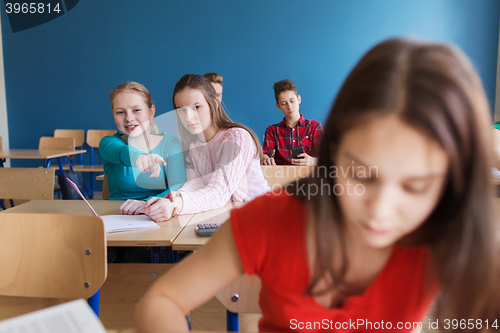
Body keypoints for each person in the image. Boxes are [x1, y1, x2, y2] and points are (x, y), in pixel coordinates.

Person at [135, 39, 500, 332]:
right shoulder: (270, 220)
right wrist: (170, 196)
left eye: (416, 187)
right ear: (332, 153)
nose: (382, 209)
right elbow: (161, 300)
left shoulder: (446, 233)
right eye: (361, 175)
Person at [142, 74, 270, 220]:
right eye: (181, 110)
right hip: (225, 219)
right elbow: (196, 186)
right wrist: (171, 199)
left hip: (262, 218)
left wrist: (177, 203)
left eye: (196, 107)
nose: (188, 117)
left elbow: (219, 192)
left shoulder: (237, 137)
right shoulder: (192, 146)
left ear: (214, 103)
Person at [99, 81, 186, 219]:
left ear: (151, 112)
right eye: (120, 112)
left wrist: (146, 205)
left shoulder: (170, 143)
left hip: (158, 217)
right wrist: (140, 157)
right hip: (117, 218)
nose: (129, 118)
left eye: (136, 110)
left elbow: (178, 186)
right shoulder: (108, 143)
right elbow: (121, 152)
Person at [261, 79, 323, 166]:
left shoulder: (314, 126)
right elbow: (266, 154)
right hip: (281, 177)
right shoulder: (272, 131)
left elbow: (326, 155)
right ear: (278, 106)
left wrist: (313, 161)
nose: (289, 106)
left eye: (292, 101)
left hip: (308, 177)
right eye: (283, 103)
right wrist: (265, 159)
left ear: (299, 99)